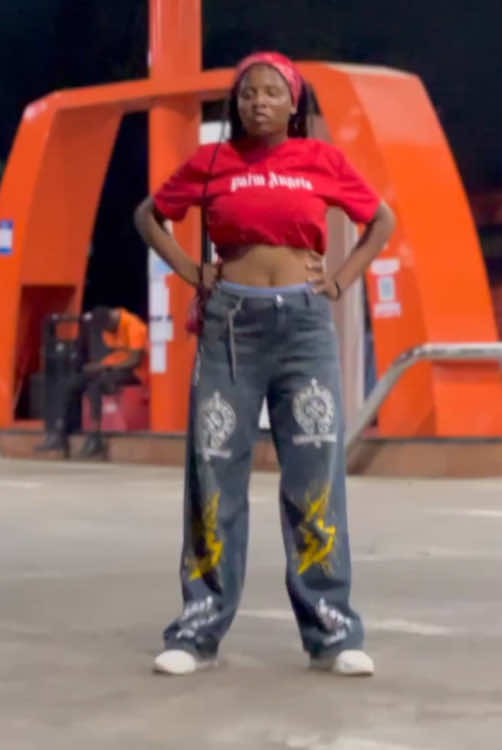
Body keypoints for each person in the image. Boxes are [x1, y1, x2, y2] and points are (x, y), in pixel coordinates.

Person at [134, 51, 395, 677]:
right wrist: (191, 270)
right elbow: (149, 215)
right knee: (214, 473)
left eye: (272, 92)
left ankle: (332, 632)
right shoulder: (213, 162)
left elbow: (380, 220)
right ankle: (197, 631)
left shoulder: (321, 160)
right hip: (231, 327)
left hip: (304, 328)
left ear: (293, 103)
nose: (258, 102)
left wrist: (340, 281)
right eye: (248, 92)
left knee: (314, 477)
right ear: (236, 103)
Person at [39, 306, 148, 458]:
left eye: (106, 328)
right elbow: (116, 355)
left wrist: (104, 367)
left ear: (111, 321)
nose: (105, 332)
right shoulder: (109, 326)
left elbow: (135, 361)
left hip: (135, 373)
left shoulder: (135, 327)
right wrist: (98, 366)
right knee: (71, 384)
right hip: (113, 368)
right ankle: (60, 433)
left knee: (95, 386)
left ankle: (96, 437)